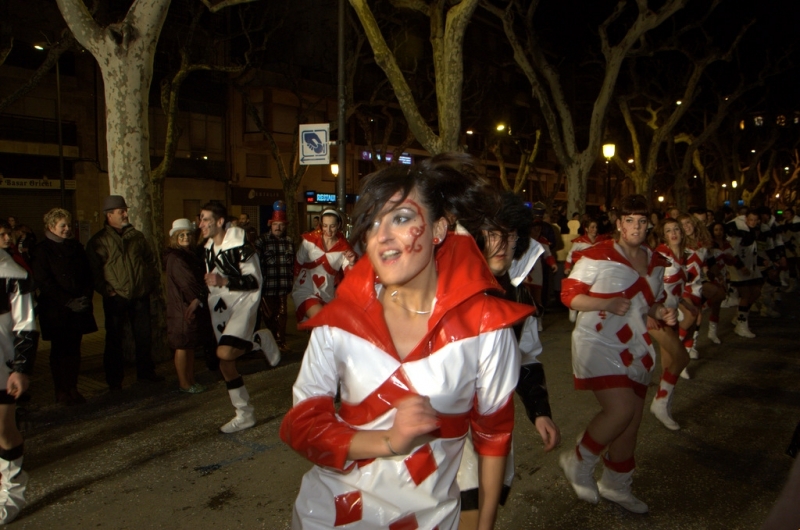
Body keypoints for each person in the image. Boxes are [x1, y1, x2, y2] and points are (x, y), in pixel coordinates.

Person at [279, 154, 531, 529]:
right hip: (333, 514)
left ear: (439, 229)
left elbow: (493, 434)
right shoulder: (339, 322)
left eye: (401, 218)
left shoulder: (485, 328)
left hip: (430, 518)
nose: (382, 236)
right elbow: (302, 425)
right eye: (372, 222)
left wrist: (485, 525)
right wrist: (387, 442)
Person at [560, 194, 676, 514]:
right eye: (629, 221)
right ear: (619, 223)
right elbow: (569, 296)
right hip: (597, 340)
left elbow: (650, 303)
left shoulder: (655, 261)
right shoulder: (596, 255)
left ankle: (615, 485)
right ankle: (579, 459)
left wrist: (662, 311)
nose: (636, 227)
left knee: (631, 422)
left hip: (636, 346)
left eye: (642, 221)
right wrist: (605, 303)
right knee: (621, 409)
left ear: (649, 224)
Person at [458, 192, 560, 529]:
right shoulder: (441, 289)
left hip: (491, 426)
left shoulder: (517, 294)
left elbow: (525, 357)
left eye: (512, 233)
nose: (504, 243)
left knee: (482, 508)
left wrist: (539, 410)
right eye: (493, 232)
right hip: (440, 432)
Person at [86, 195, 163, 389]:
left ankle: (146, 373)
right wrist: (106, 290)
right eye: (121, 211)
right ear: (109, 215)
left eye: (125, 210)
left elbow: (150, 260)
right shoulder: (99, 240)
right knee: (114, 340)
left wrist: (149, 284)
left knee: (144, 336)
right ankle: (114, 380)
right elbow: (93, 270)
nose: (126, 214)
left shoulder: (136, 237)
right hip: (116, 297)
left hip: (139, 295)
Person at [199, 201, 263, 433]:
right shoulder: (207, 248)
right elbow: (208, 280)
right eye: (200, 219)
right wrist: (197, 299)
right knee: (226, 363)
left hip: (243, 304)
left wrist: (224, 281)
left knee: (224, 353)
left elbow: (254, 281)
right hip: (221, 307)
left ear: (219, 222)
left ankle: (255, 341)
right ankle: (244, 413)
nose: (201, 224)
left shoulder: (242, 245)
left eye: (205, 219)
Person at [31, 208, 97, 405]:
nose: (68, 229)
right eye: (63, 226)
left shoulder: (75, 248)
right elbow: (44, 280)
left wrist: (85, 297)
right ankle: (61, 390)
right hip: (56, 311)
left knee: (74, 350)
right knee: (59, 351)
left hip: (77, 309)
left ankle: (73, 387)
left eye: (69, 225)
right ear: (51, 227)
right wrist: (68, 301)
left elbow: (87, 274)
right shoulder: (41, 250)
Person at [0, 219, 37, 524]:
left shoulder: (14, 274)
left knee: (3, 430)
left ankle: (11, 494)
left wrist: (21, 369)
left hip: (2, 369)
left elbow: (26, 326)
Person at [647, 218, 693, 428]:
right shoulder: (660, 256)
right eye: (668, 230)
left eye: (676, 229)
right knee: (682, 357)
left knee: (669, 364)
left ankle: (664, 407)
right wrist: (650, 311)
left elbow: (674, 289)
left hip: (672, 314)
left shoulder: (682, 256)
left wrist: (685, 303)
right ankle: (659, 403)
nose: (673, 233)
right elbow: (646, 285)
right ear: (663, 235)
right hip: (657, 316)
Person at [164, 218, 214, 394]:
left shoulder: (187, 255)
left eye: (187, 234)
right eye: (181, 235)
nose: (185, 237)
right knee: (183, 346)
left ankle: (190, 379)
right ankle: (184, 382)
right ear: (175, 237)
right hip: (183, 309)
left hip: (187, 306)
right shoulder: (176, 258)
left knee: (189, 345)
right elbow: (188, 283)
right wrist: (198, 297)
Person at [291, 209, 356, 322]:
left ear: (339, 225)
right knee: (323, 321)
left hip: (327, 294)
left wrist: (351, 262)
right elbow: (298, 263)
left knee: (321, 332)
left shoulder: (344, 248)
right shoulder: (309, 242)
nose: (328, 230)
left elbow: (349, 275)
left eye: (332, 226)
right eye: (325, 226)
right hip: (305, 291)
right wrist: (294, 287)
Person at [255, 201, 294, 353]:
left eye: (281, 224)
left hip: (283, 286)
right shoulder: (262, 241)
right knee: (269, 316)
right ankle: (272, 343)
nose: (278, 227)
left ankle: (281, 341)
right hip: (268, 286)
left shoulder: (289, 241)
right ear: (270, 225)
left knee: (283, 315)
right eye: (275, 224)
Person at [725, 209, 763, 338]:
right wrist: (740, 266)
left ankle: (740, 315)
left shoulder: (752, 231)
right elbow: (732, 251)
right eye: (750, 219)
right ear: (746, 219)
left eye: (755, 220)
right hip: (739, 267)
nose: (752, 222)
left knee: (756, 292)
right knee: (746, 294)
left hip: (751, 267)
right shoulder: (739, 233)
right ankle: (741, 324)